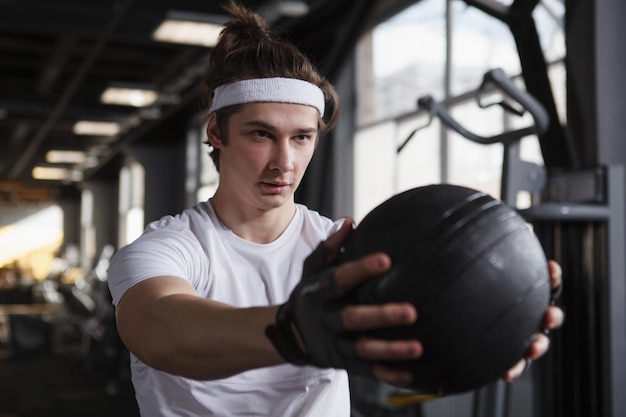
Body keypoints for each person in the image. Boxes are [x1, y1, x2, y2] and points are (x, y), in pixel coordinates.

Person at [107, 1, 564, 416]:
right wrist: (295, 332)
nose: (284, 162)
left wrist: (497, 315)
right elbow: (158, 327)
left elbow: (420, 327)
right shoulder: (168, 249)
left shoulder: (339, 250)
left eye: (301, 138)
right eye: (261, 134)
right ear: (217, 133)